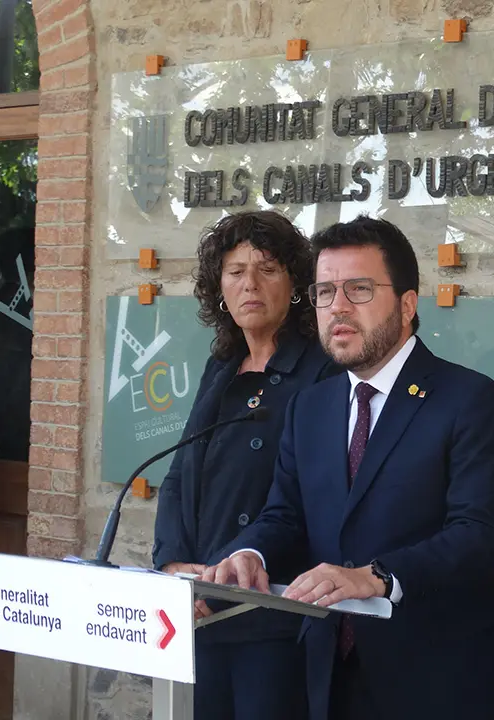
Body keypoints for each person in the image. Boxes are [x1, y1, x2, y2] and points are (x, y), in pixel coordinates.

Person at [200, 215, 494, 720]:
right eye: (325, 292)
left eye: (359, 289)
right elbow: (285, 514)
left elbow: (477, 536)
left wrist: (377, 576)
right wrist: (249, 551)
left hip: (437, 681)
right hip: (329, 677)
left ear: (408, 304)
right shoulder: (311, 406)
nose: (339, 308)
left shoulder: (468, 399)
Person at [152, 210, 340, 720]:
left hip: (271, 612)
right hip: (197, 610)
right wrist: (170, 563)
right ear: (219, 287)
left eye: (268, 269)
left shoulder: (323, 373)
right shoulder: (220, 368)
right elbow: (178, 477)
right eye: (235, 272)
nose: (249, 284)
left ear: (296, 284)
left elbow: (306, 499)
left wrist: (224, 573)